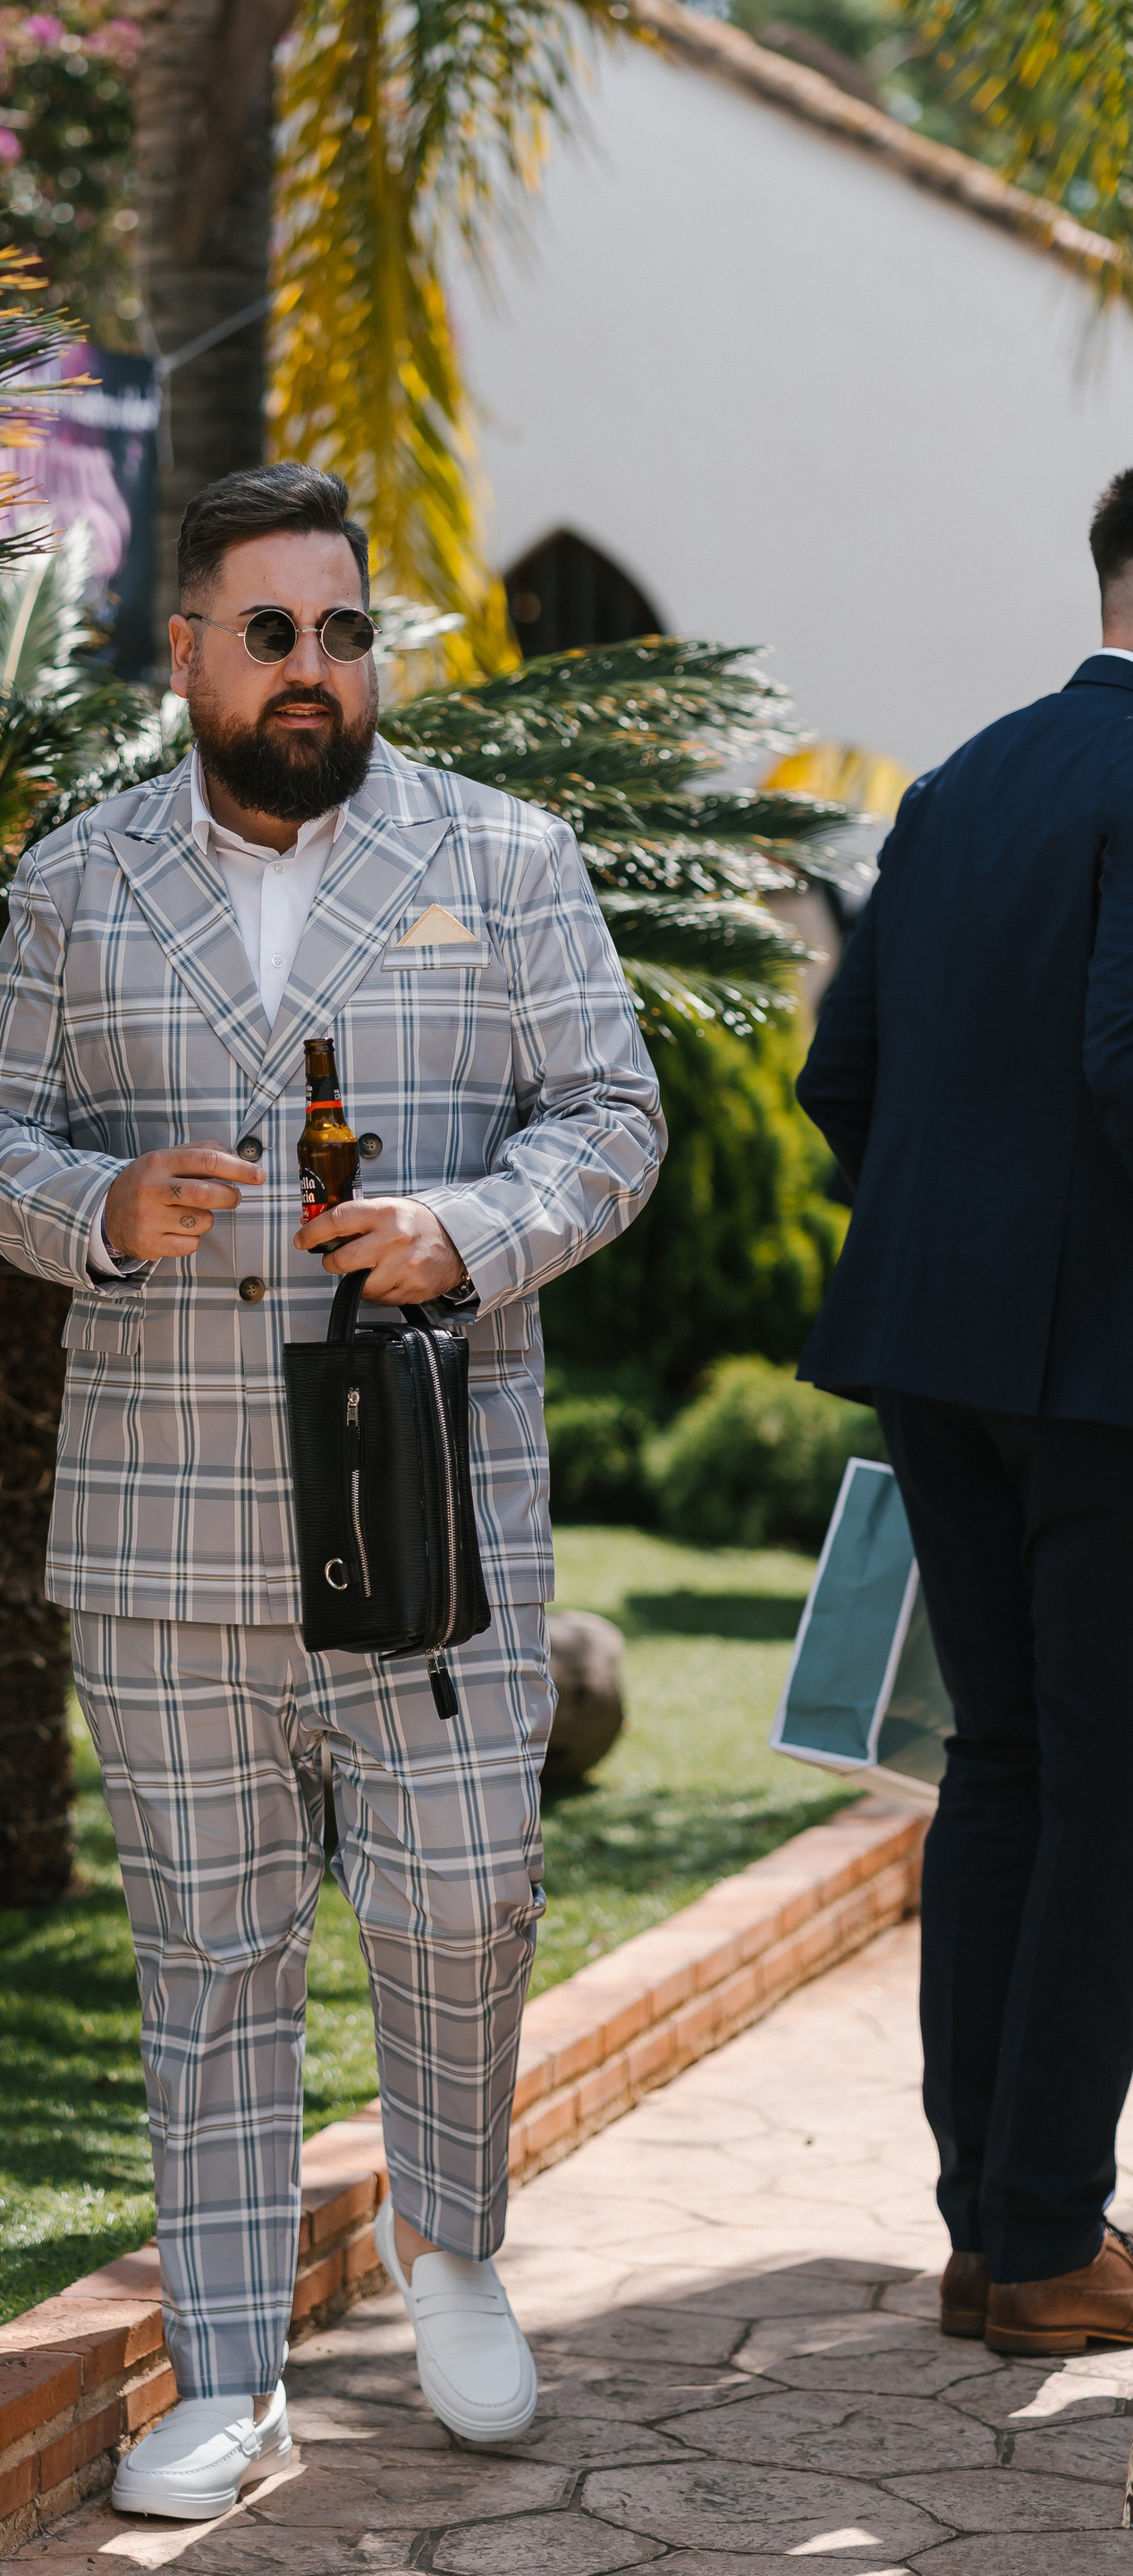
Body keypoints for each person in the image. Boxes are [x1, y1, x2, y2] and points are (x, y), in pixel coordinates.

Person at [0, 462, 664, 2512]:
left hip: (434, 1523)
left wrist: (467, 1231)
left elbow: (612, 1119)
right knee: (211, 1960)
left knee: (466, 1906)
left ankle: (457, 2251)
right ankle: (229, 2371)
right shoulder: (76, 884)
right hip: (164, 1532)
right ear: (187, 654)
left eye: (344, 631)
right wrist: (100, 1208)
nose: (314, 667)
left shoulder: (505, 859)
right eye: (271, 633)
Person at [796, 469, 1133, 2359]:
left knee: (1000, 1769)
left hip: (936, 1347)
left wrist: (957, 1255)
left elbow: (842, 1075)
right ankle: (1048, 2239)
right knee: (1108, 1795)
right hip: (1107, 1378)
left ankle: (989, 2230)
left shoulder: (957, 783)